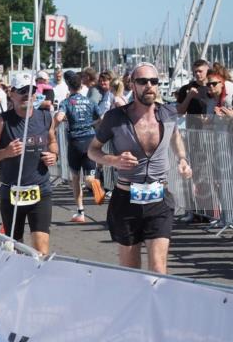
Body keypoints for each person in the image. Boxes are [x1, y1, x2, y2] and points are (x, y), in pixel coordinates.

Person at [87, 63, 192, 274]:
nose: (149, 85)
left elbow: (175, 137)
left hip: (159, 199)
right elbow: (92, 150)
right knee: (131, 271)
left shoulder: (168, 113)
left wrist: (182, 158)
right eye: (143, 81)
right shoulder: (115, 117)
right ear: (132, 85)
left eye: (154, 81)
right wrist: (114, 160)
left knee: (159, 268)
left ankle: (157, 297)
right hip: (126, 198)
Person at [0, 71, 59, 255]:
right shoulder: (2, 121)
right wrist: (5, 152)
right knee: (16, 249)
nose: (27, 95)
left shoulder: (45, 117)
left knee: (41, 250)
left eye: (31, 90)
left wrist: (54, 155)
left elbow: (53, 141)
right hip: (12, 193)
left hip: (41, 190)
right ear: (12, 94)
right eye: (22, 91)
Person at [55, 70, 106, 223]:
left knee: (76, 178)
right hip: (90, 139)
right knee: (89, 177)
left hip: (75, 141)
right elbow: (102, 117)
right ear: (81, 85)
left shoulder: (66, 102)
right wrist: (92, 124)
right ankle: (94, 183)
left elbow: (59, 117)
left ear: (68, 86)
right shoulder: (90, 101)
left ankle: (80, 212)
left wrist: (53, 127)